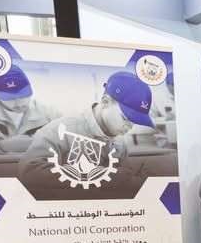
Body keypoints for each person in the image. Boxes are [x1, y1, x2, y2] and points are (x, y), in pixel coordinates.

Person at [17, 71, 153, 200]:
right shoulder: (59, 130)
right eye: (125, 118)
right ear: (105, 102)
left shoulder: (119, 142)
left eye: (135, 121)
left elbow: (124, 182)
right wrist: (110, 177)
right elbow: (28, 173)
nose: (130, 127)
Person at [0, 64, 60, 154]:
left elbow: (68, 141)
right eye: (10, 98)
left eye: (23, 95)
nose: (18, 103)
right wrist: (3, 145)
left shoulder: (50, 113)